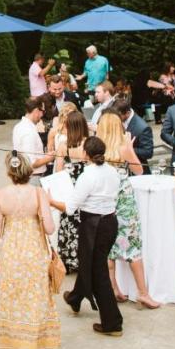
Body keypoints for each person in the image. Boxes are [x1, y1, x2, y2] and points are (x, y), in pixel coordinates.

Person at [0, 149, 64, 349]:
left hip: (11, 253)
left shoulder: (0, 195)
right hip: (35, 252)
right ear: (29, 171)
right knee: (40, 300)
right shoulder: (38, 193)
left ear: (9, 172)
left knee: (14, 299)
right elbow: (50, 228)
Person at [61, 136, 124, 337]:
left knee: (98, 273)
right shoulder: (112, 171)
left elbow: (70, 209)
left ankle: (112, 322)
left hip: (94, 225)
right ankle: (75, 298)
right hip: (110, 222)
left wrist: (50, 200)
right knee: (90, 263)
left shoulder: (87, 176)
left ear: (86, 154)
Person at [97, 112, 160, 309]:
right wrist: (130, 148)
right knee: (133, 248)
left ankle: (114, 288)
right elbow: (139, 170)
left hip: (104, 202)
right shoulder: (123, 147)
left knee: (107, 248)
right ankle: (143, 293)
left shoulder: (96, 150)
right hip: (123, 204)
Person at [53, 110, 90, 273]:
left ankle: (69, 259)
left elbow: (58, 171)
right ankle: (85, 259)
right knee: (85, 224)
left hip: (69, 191)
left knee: (68, 223)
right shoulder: (88, 144)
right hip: (85, 190)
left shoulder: (63, 146)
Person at [12, 97, 52, 184]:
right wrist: (49, 158)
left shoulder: (19, 126)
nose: (42, 115)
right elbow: (31, 162)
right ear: (36, 110)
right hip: (33, 178)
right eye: (43, 111)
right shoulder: (28, 131)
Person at [115, 94, 154, 166]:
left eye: (119, 116)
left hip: (137, 167)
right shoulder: (118, 119)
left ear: (128, 113)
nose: (116, 118)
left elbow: (148, 152)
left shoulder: (143, 128)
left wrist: (127, 149)